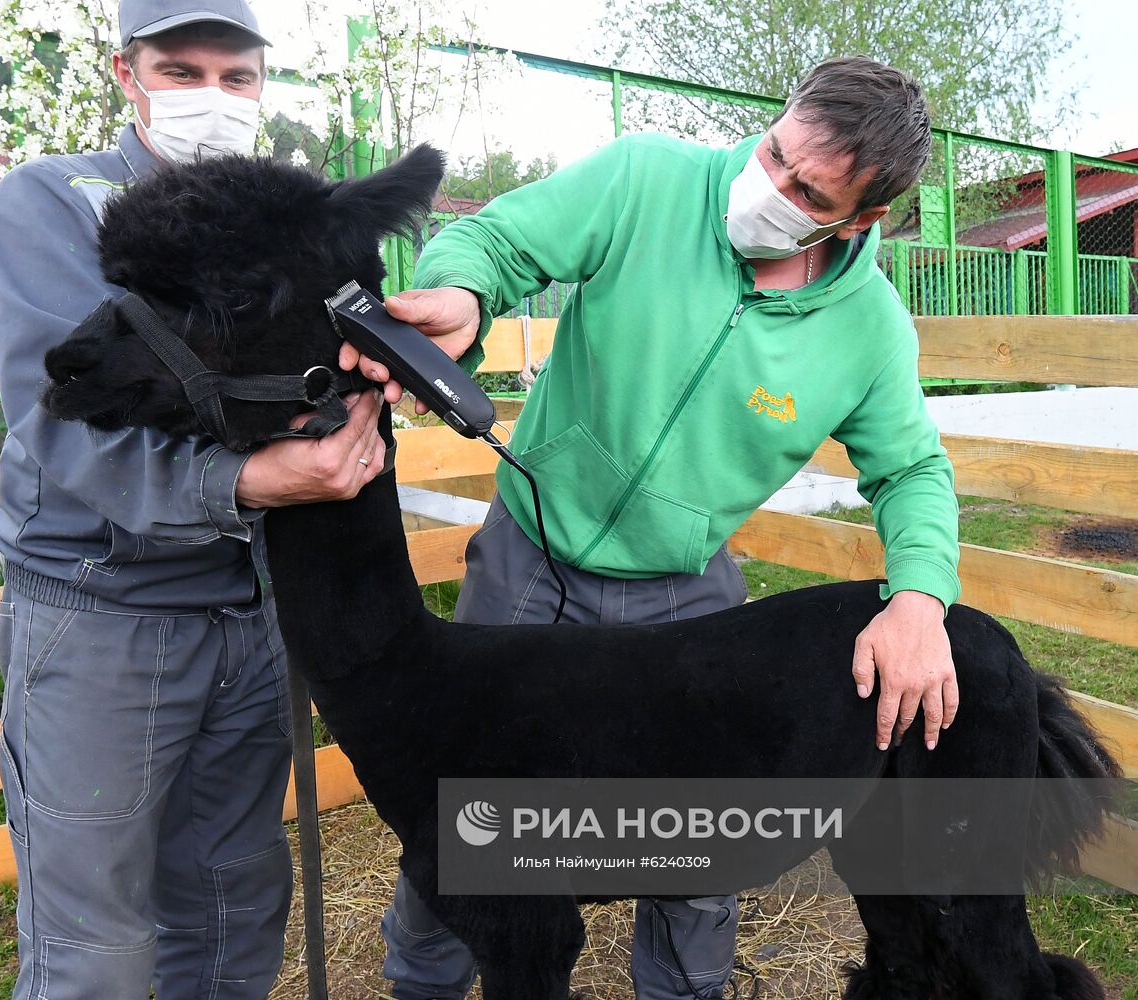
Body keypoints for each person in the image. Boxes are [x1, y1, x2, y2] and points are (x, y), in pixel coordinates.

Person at [343, 57, 962, 999]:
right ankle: (420, 984)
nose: (771, 190)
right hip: (527, 563)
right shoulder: (644, 179)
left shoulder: (869, 327)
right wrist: (464, 293)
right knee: (462, 821)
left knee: (695, 843)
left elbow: (913, 469)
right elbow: (498, 242)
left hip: (684, 597)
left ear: (863, 218)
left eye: (807, 191)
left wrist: (920, 595)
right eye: (775, 155)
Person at [0, 2, 389, 997]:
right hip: (106, 613)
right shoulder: (50, 204)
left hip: (248, 612)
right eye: (182, 69)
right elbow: (62, 419)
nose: (214, 97)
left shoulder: (280, 220)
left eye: (237, 76)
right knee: (96, 938)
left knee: (234, 898)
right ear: (127, 73)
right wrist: (242, 479)